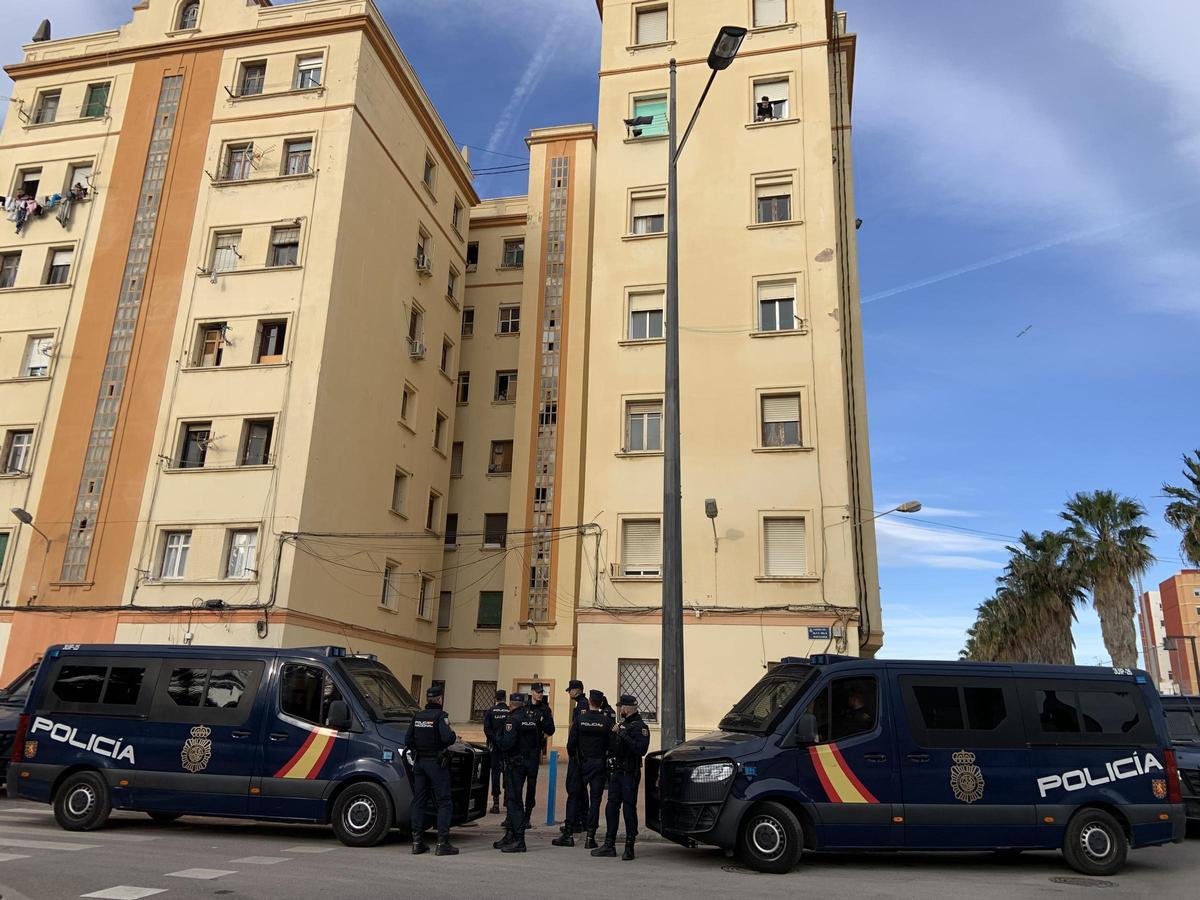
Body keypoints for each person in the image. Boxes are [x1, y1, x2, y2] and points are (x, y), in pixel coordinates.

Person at [591, 693, 651, 861]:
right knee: (611, 807)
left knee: (629, 809)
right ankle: (609, 844)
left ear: (626, 708)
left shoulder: (640, 727)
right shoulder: (622, 725)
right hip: (616, 772)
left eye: (621, 707)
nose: (620, 710)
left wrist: (623, 734)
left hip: (629, 774)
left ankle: (629, 847)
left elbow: (641, 750)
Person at [403, 684, 459, 856]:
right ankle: (442, 843)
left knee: (419, 800)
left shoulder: (418, 716)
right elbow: (448, 738)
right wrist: (452, 736)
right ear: (440, 699)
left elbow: (408, 739)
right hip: (435, 762)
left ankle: (417, 842)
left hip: (419, 762)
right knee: (444, 801)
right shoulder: (440, 716)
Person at [556, 689, 610, 849]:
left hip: (580, 764)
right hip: (598, 764)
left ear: (590, 702)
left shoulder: (580, 720)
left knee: (573, 797)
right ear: (600, 703)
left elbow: (570, 745)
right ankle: (590, 838)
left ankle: (568, 835)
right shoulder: (606, 722)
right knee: (595, 801)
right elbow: (611, 744)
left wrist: (576, 757)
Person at [495, 692, 541, 853]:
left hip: (515, 765)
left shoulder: (512, 720)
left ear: (511, 704)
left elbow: (507, 744)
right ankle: (510, 834)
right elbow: (537, 744)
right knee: (515, 799)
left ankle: (519, 839)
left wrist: (498, 739)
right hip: (527, 763)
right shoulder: (530, 720)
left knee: (514, 800)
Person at [523, 683, 555, 829]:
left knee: (531, 784)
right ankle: (514, 816)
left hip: (534, 751)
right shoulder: (524, 707)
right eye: (538, 691)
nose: (540, 694)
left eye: (542, 692)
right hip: (520, 750)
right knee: (516, 784)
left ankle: (527, 815)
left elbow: (551, 729)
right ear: (531, 692)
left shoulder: (545, 709)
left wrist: (542, 730)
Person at [560, 679, 589, 835]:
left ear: (577, 690)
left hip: (578, 754)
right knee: (581, 789)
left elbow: (578, 730)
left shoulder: (582, 705)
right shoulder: (581, 704)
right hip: (580, 754)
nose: (569, 693)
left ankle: (576, 822)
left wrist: (571, 749)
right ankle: (583, 820)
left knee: (574, 788)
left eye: (570, 690)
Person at [482, 688, 509, 813]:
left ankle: (496, 803)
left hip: (494, 747)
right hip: (508, 747)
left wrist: (495, 740)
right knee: (508, 772)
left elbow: (487, 729)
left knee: (496, 773)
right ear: (505, 698)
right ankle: (507, 799)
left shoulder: (491, 711)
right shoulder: (510, 710)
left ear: (496, 698)